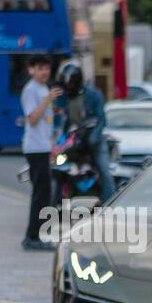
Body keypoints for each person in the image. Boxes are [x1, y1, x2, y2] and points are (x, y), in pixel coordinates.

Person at [53, 61, 115, 202]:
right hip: (73, 141)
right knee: (58, 166)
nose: (68, 88)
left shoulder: (94, 95)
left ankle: (110, 204)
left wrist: (92, 138)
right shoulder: (62, 98)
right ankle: (57, 201)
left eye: (70, 84)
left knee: (104, 170)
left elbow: (101, 120)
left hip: (93, 141)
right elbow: (58, 119)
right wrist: (57, 141)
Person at [19, 54, 61, 250]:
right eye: (40, 68)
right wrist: (47, 100)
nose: (45, 72)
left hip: (43, 147)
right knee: (40, 194)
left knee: (45, 193)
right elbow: (33, 119)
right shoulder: (31, 91)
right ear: (31, 70)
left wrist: (52, 147)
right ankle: (32, 237)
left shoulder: (44, 89)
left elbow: (47, 124)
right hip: (34, 148)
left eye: (47, 68)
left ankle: (36, 235)